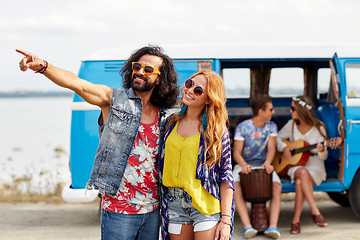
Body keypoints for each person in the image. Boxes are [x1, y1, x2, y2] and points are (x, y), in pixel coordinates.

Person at [16, 46, 179, 240]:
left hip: (153, 210)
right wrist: (43, 66)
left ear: (159, 78)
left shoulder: (165, 115)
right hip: (118, 210)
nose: (140, 72)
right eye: (137, 67)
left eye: (148, 69)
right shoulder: (113, 100)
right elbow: (78, 84)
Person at [158, 70, 234, 240]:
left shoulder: (216, 132)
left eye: (198, 90)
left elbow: (226, 176)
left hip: (206, 205)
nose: (190, 90)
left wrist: (226, 221)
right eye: (189, 84)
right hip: (174, 203)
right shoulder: (170, 123)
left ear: (208, 99)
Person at [276, 96, 328, 234]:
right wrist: (284, 148)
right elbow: (277, 138)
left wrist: (322, 151)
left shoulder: (318, 128)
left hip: (315, 164)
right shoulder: (291, 125)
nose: (290, 111)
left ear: (301, 110)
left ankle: (295, 221)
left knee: (300, 183)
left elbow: (324, 156)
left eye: (293, 108)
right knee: (302, 173)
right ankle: (315, 211)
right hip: (295, 165)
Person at [232, 95, 282, 239]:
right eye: (270, 109)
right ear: (261, 111)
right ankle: (248, 226)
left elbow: (272, 149)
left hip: (263, 164)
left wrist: (267, 163)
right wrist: (243, 165)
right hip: (244, 163)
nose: (273, 112)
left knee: (277, 186)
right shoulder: (243, 127)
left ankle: (273, 226)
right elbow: (236, 153)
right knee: (235, 185)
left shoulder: (271, 126)